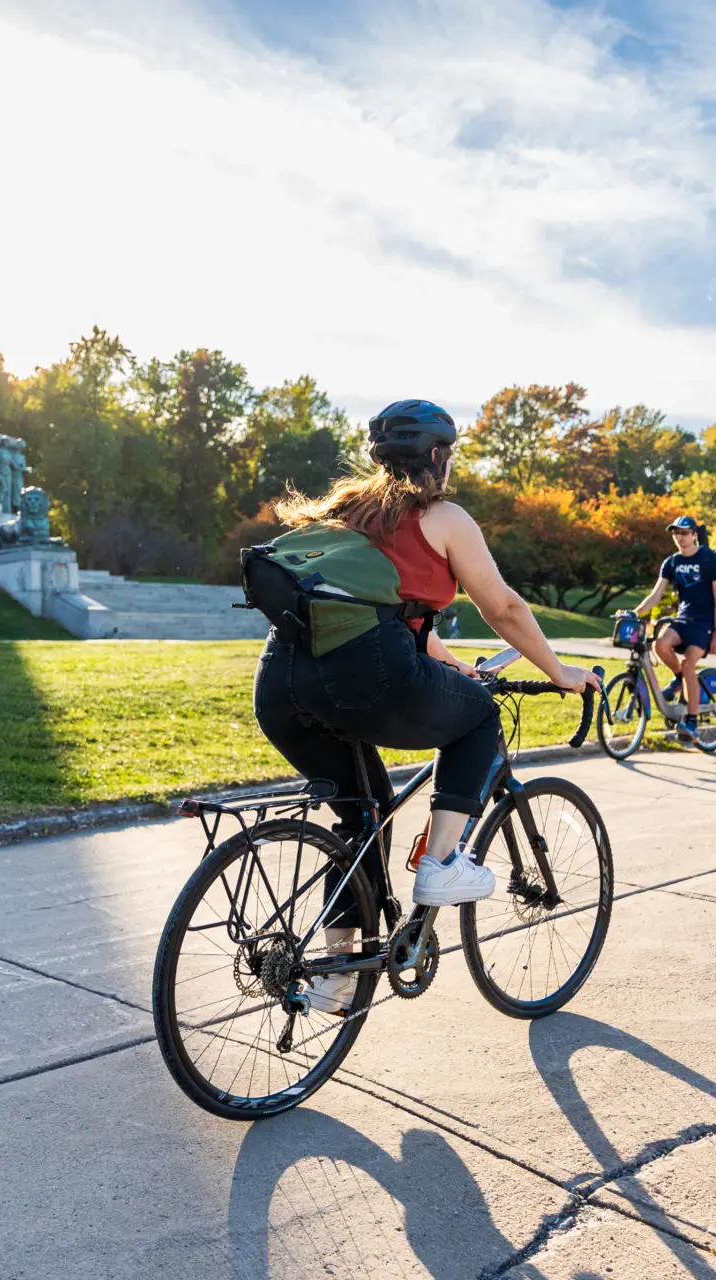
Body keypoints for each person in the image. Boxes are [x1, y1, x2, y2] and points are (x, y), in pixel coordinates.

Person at [254, 398, 599, 1014]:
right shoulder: (442, 517)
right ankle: (440, 862)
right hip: (368, 677)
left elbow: (382, 611)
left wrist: (449, 666)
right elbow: (506, 609)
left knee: (361, 818)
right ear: (437, 456)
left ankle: (335, 972)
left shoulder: (344, 514)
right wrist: (562, 672)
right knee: (479, 718)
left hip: (280, 682)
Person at [628, 515, 716, 744]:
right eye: (675, 533)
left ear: (694, 534)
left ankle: (691, 721)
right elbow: (655, 595)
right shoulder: (672, 562)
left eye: (683, 533)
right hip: (683, 619)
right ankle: (681, 680)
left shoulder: (709, 559)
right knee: (660, 645)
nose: (679, 537)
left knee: (688, 664)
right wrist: (635, 613)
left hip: (704, 623)